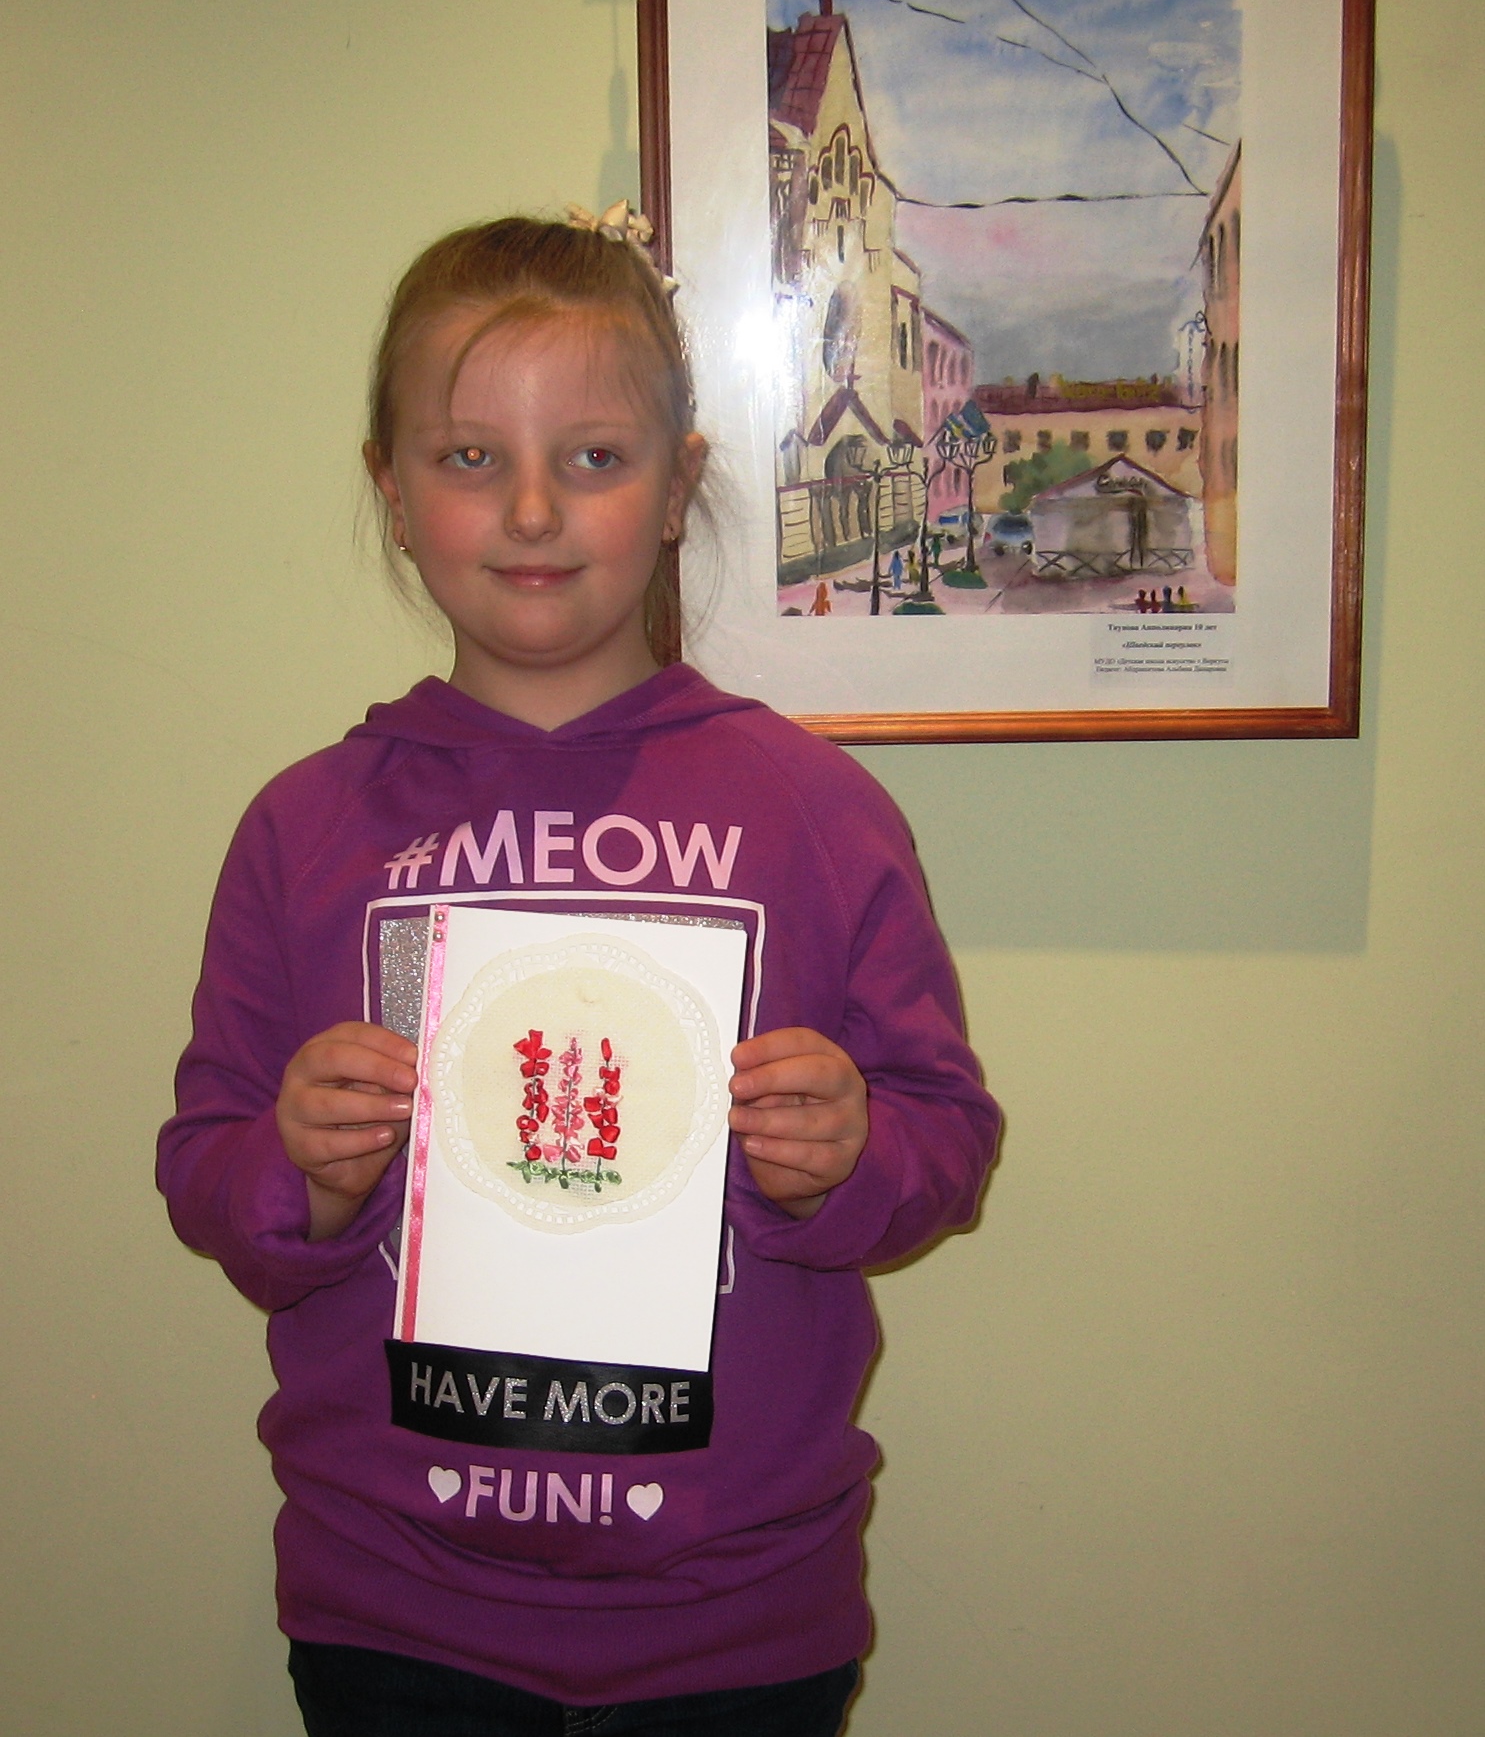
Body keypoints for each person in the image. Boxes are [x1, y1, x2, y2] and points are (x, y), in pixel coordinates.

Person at [157, 208, 999, 1737]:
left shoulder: (813, 812)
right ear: (393, 491)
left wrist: (852, 1150)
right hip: (394, 1606)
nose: (533, 509)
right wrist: (299, 1168)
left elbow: (947, 1137)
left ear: (677, 486)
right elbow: (206, 1161)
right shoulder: (306, 826)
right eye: (470, 457)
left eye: (595, 457)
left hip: (736, 1614)